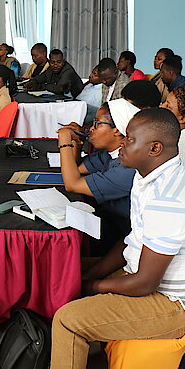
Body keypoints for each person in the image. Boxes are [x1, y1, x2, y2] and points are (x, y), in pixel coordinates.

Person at [47, 108, 185, 369]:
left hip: (173, 305)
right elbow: (131, 241)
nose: (122, 144)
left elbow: (145, 283)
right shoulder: (147, 175)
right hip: (144, 277)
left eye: (129, 139)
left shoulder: (168, 199)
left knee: (68, 320)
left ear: (154, 148)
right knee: (64, 271)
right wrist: (89, 274)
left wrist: (93, 286)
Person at [58, 99, 139, 255]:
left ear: (117, 130)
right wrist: (77, 142)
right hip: (108, 222)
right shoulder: (109, 154)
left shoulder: (127, 168)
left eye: (97, 124)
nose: (91, 129)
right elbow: (76, 169)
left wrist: (65, 143)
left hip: (122, 236)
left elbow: (72, 184)